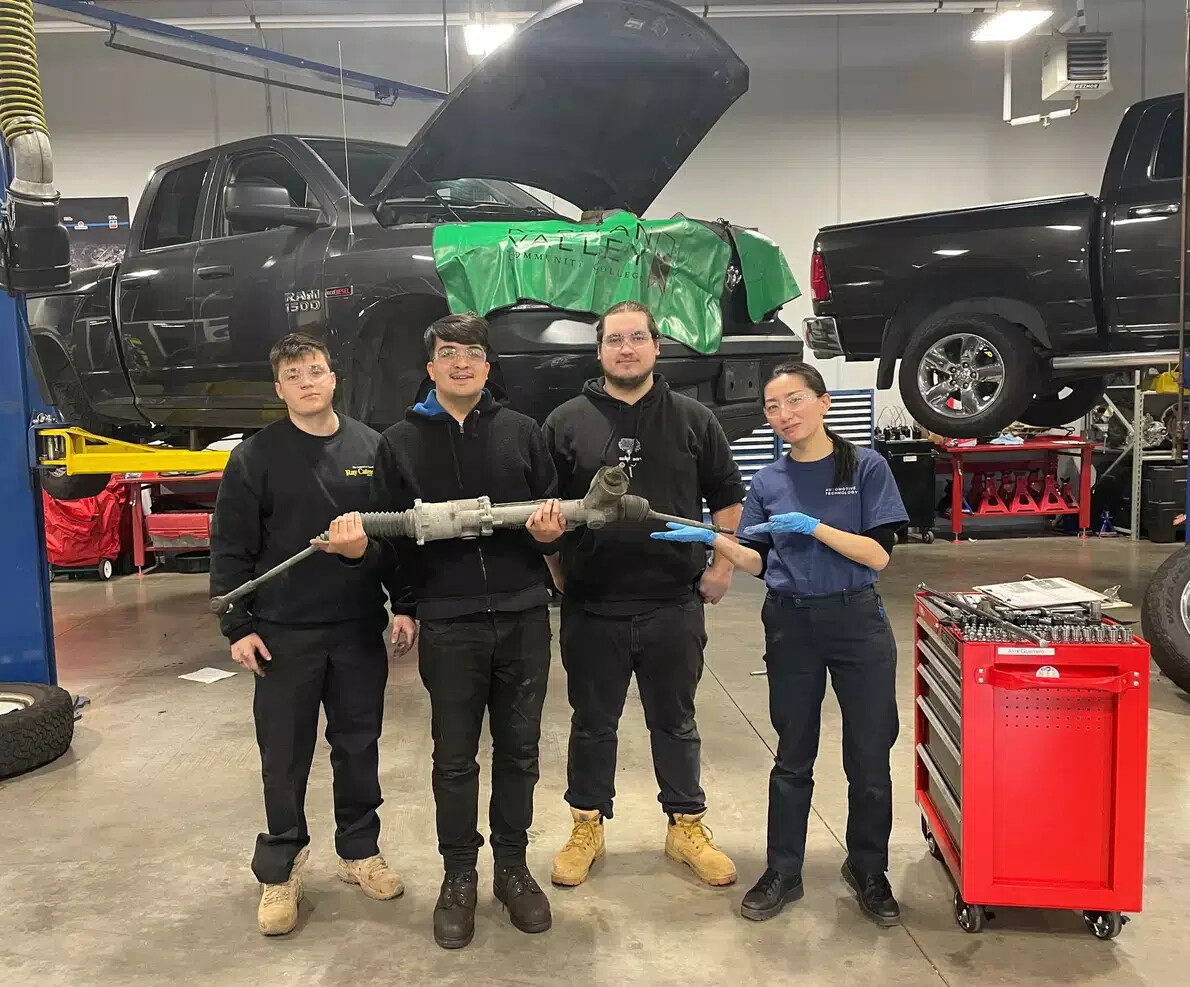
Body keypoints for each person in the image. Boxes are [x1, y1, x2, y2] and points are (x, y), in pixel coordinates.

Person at [652, 360, 909, 926]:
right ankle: (783, 870)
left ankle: (869, 868)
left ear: (823, 403)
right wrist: (712, 538)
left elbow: (880, 554)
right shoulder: (768, 481)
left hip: (856, 621)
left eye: (794, 400)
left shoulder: (865, 467)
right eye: (773, 406)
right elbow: (760, 560)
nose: (784, 415)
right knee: (793, 753)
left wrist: (814, 527)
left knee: (869, 755)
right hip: (791, 624)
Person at [358, 313, 564, 950]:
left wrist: (553, 535)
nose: (462, 363)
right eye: (448, 354)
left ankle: (511, 867)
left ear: (487, 364)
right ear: (431, 367)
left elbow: (552, 509)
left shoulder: (523, 433)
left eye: (473, 353)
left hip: (524, 612)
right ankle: (459, 873)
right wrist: (406, 605)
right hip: (449, 622)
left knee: (520, 751)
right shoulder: (399, 442)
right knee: (454, 757)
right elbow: (393, 541)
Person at [209, 332, 411, 937]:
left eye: (315, 371)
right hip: (280, 635)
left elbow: (394, 542)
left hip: (354, 632)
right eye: (293, 375)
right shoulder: (256, 457)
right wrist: (236, 625)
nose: (306, 382)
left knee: (358, 747)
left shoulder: (372, 448)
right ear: (280, 388)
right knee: (284, 757)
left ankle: (359, 853)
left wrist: (400, 602)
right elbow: (230, 546)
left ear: (333, 377)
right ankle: (280, 869)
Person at [542, 300, 744, 890]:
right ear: (599, 350)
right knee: (591, 723)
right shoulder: (565, 421)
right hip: (593, 605)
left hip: (672, 603)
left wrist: (721, 566)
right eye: (614, 340)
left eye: (637, 338)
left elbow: (727, 496)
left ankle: (686, 825)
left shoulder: (692, 418)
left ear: (656, 347)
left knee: (675, 721)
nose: (625, 349)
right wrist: (558, 566)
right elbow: (546, 511)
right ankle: (586, 827)